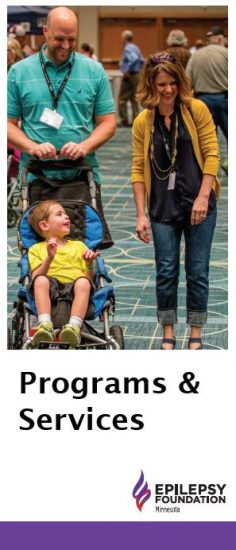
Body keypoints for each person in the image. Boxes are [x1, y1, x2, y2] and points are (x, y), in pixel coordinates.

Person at [131, 52, 220, 350]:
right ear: (151, 86)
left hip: (199, 204)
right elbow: (137, 168)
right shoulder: (144, 120)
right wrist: (140, 214)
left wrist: (203, 197)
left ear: (180, 83)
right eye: (161, 85)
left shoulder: (197, 110)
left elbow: (212, 155)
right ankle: (168, 331)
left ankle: (196, 333)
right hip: (162, 207)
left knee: (198, 271)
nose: (167, 90)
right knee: (166, 269)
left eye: (172, 83)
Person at [7, 6, 116, 186]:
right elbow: (7, 124)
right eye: (59, 38)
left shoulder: (94, 70)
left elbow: (108, 122)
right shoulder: (19, 72)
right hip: (35, 176)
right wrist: (32, 147)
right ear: (45, 31)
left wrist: (84, 146)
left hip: (82, 175)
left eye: (71, 39)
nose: (65, 46)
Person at [28, 200, 100, 347]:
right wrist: (49, 257)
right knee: (41, 280)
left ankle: (73, 326)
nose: (67, 217)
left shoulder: (79, 246)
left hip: (75, 289)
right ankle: (45, 325)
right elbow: (35, 278)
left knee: (83, 282)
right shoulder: (36, 249)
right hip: (49, 289)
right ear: (44, 225)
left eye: (66, 214)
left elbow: (87, 278)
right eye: (59, 214)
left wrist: (88, 264)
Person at [186, 26, 228, 141]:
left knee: (207, 140)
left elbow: (187, 80)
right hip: (225, 100)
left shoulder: (195, 56)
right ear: (220, 39)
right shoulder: (227, 54)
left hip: (203, 101)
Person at [118, 30, 144, 127]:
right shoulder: (135, 47)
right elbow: (141, 60)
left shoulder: (127, 48)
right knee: (134, 98)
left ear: (124, 38)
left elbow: (133, 58)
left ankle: (124, 120)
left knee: (122, 98)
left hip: (129, 75)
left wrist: (126, 70)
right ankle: (135, 120)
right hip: (136, 75)